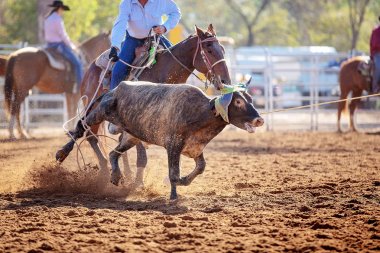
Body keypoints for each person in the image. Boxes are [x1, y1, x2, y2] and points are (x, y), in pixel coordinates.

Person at [109, 0, 181, 90]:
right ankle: (112, 99)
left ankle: (181, 94)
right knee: (118, 71)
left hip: (156, 38)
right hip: (133, 40)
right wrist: (115, 46)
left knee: (177, 60)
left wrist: (165, 27)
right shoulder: (126, 3)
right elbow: (120, 24)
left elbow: (175, 12)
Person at [44, 0, 83, 93]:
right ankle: (80, 87)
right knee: (78, 63)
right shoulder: (57, 19)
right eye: (62, 9)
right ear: (59, 8)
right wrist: (72, 46)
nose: (62, 12)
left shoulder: (47, 18)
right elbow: (63, 35)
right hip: (58, 45)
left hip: (49, 45)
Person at [370, 16, 380, 93]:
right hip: (377, 53)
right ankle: (375, 86)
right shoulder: (376, 31)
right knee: (378, 67)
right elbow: (375, 44)